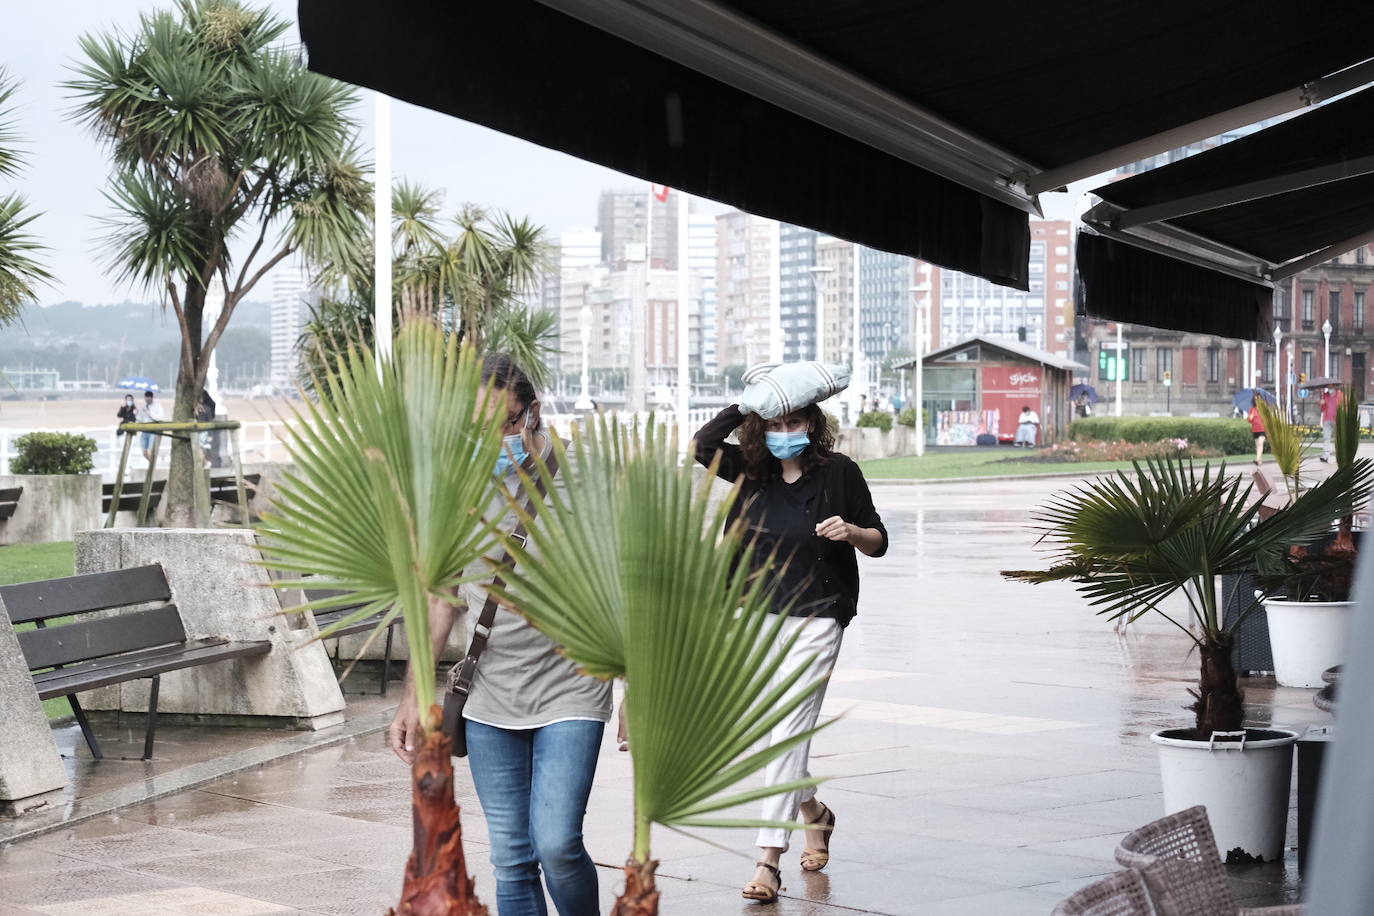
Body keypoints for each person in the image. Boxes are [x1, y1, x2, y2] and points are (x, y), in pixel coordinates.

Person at [389, 354, 611, 916]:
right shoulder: (457, 490)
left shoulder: (584, 477)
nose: (489, 440)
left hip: (572, 684)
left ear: (533, 412)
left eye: (502, 425)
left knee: (557, 844)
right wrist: (413, 695)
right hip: (489, 690)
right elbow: (439, 601)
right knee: (512, 857)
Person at [694, 391, 888, 905]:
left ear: (811, 422)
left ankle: (767, 860)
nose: (785, 430)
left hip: (819, 614)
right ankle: (815, 815)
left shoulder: (839, 472)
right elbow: (702, 443)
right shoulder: (749, 471)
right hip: (753, 613)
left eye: (795, 419)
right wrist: (746, 403)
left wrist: (850, 532)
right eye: (775, 422)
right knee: (770, 733)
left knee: (788, 730)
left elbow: (879, 539)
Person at [136, 390, 164, 460]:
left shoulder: (158, 406)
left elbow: (159, 418)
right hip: (145, 431)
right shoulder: (143, 407)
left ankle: (153, 466)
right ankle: (152, 465)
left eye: (148, 400)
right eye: (145, 400)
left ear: (152, 398)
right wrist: (136, 415)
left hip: (153, 431)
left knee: (149, 451)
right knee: (144, 453)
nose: (147, 401)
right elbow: (140, 419)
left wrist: (149, 413)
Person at [1320, 386, 1342, 463]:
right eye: (1328, 387)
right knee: (1326, 438)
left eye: (1331, 387)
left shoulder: (1340, 395)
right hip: (1327, 419)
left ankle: (1339, 455)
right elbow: (1322, 409)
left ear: (1334, 387)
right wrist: (1321, 404)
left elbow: (1344, 406)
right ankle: (1325, 456)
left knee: (1338, 439)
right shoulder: (1325, 395)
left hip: (1337, 420)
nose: (1330, 389)